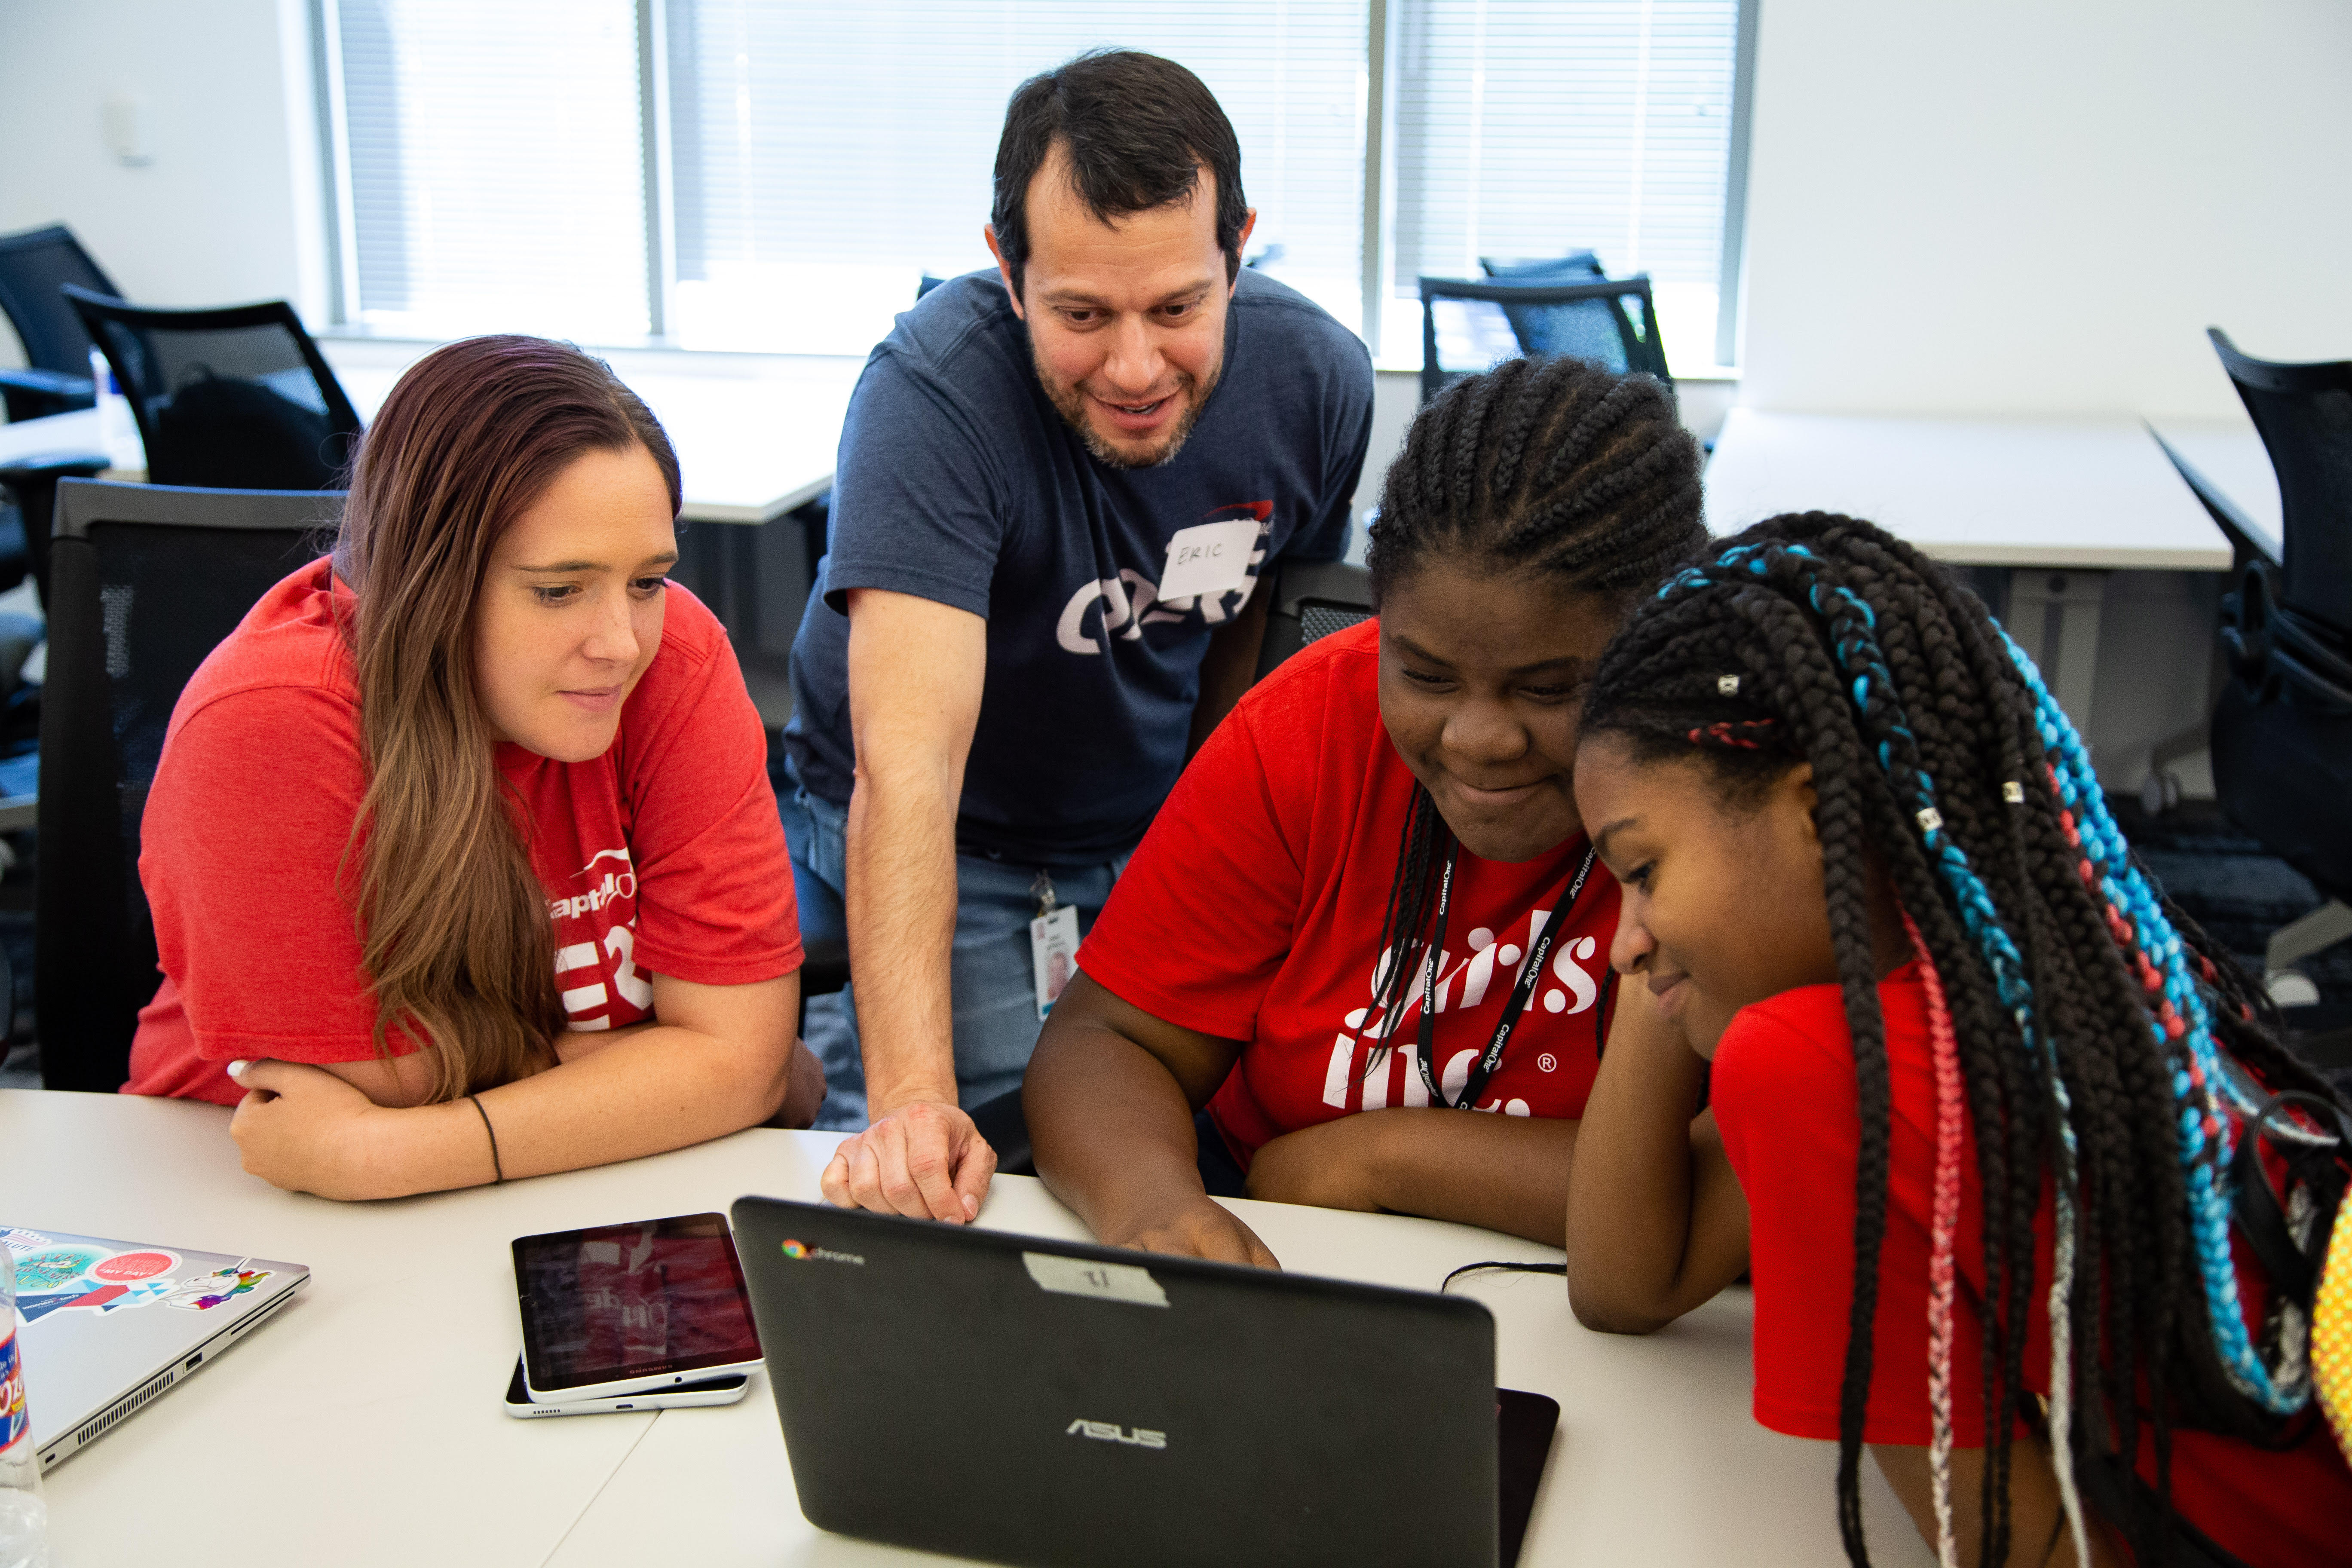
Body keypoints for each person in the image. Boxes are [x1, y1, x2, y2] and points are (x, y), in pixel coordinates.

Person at [1570, 514, 2352, 1567]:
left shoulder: (1820, 1062)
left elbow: (2019, 1553)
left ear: (1818, 815)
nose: (1621, 944)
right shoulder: (2066, 963)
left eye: (1642, 870)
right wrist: (1675, 950)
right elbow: (1629, 1280)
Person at [790, 48, 1375, 1222]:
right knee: (989, 1172)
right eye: (1082, 314)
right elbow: (908, 774)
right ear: (1009, 271)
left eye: (1178, 307)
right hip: (961, 836)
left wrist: (1203, 825)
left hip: (1149, 814)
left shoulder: (1316, 381)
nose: (1136, 367)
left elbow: (1253, 611)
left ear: (1238, 247)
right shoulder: (934, 399)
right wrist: (913, 1099)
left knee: (1212, 1140)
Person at [1021, 355, 1704, 1264]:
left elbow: (1733, 1184)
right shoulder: (1307, 728)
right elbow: (1108, 1039)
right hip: (1297, 1252)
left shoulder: (1731, 798)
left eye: (1547, 689)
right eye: (1424, 674)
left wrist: (1379, 1160)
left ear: (1659, 644)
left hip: (1608, 1302)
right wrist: (1154, 1207)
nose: (1478, 739)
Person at [126, 335, 826, 1197]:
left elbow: (740, 1065)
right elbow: (347, 1091)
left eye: (646, 580)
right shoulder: (269, 719)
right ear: (429, 578)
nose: (620, 642)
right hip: (246, 1197)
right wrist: (689, 1061)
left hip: (557, 1183)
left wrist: (390, 1150)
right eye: (558, 589)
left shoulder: (674, 654)